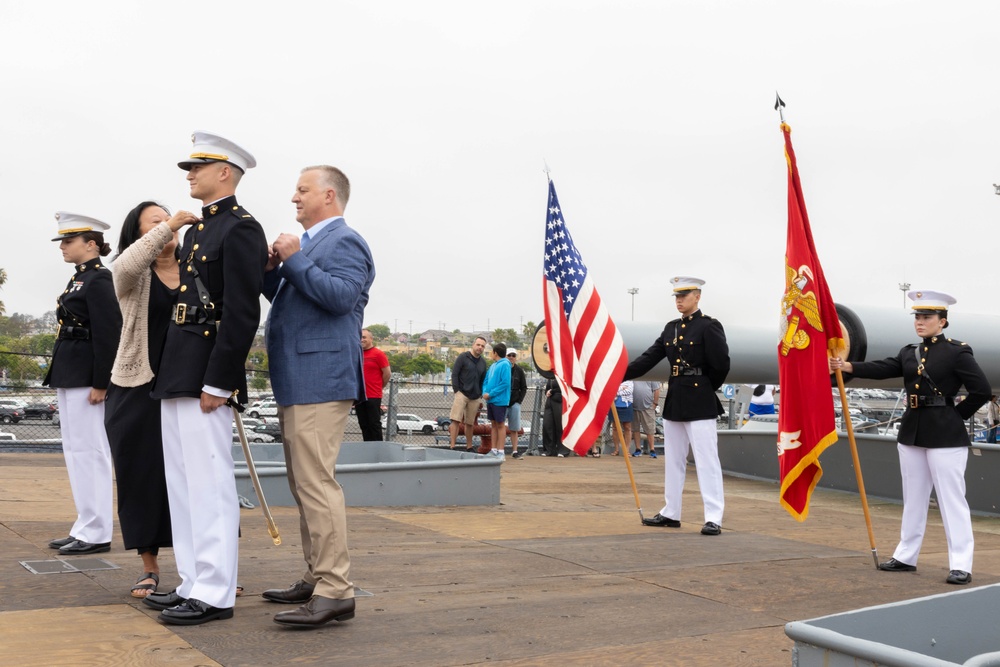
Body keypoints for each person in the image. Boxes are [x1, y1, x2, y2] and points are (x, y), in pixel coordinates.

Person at [144, 132, 267, 626]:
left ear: (225, 173)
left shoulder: (241, 229)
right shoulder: (195, 233)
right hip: (178, 367)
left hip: (207, 376)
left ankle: (216, 592)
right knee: (183, 483)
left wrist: (221, 381)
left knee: (210, 483)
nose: (189, 174)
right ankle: (193, 581)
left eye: (198, 167)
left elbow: (241, 312)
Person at [261, 165, 374, 628]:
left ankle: (335, 589)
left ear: (329, 196)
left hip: (320, 377)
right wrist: (274, 271)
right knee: (304, 484)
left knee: (316, 483)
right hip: (300, 377)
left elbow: (342, 297)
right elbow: (297, 299)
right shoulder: (309, 245)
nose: (294, 197)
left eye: (302, 190)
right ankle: (317, 575)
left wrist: (294, 259)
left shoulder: (344, 240)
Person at [830, 290, 990, 585]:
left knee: (951, 500)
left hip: (945, 434)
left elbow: (981, 389)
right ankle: (906, 556)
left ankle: (961, 564)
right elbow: (884, 368)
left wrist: (956, 416)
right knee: (913, 498)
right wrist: (849, 366)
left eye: (927, 317)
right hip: (912, 431)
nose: (920, 322)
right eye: (917, 317)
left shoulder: (957, 352)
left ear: (942, 322)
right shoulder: (909, 352)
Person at [106, 201, 197, 597]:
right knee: (141, 475)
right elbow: (124, 266)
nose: (167, 228)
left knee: (196, 476)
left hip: (186, 385)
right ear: (139, 235)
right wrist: (170, 225)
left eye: (169, 221)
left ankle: (206, 567)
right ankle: (149, 565)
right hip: (136, 388)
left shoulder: (195, 269)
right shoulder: (132, 275)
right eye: (155, 224)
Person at [624, 276, 730, 536]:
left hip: (700, 399)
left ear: (698, 296)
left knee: (707, 461)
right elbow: (649, 358)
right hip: (676, 400)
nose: (679, 300)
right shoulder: (671, 328)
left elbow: (721, 366)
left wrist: (703, 387)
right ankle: (671, 512)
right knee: (673, 461)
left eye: (684, 295)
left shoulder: (709, 326)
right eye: (676, 296)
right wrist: (621, 374)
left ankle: (713, 516)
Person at [44, 212, 122, 556]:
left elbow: (109, 334)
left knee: (91, 452)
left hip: (87, 377)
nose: (63, 246)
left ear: (92, 244)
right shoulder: (79, 279)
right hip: (70, 371)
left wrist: (101, 382)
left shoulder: (100, 279)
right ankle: (85, 524)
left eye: (69, 240)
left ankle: (97, 531)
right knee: (76, 452)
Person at [448, 337, 487, 450]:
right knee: (455, 419)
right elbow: (455, 374)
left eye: (482, 346)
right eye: (478, 345)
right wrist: (456, 390)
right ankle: (452, 445)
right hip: (462, 393)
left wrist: (480, 393)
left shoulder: (483, 362)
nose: (480, 347)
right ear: (473, 344)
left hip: (475, 396)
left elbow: (483, 379)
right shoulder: (463, 357)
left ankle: (469, 446)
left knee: (470, 423)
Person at [357, 328, 390, 441]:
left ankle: (377, 449)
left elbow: (387, 373)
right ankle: (367, 449)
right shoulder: (357, 353)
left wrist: (379, 387)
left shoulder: (378, 354)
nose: (362, 339)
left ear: (371, 339)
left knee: (374, 423)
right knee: (363, 424)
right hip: (359, 395)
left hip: (373, 395)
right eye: (360, 337)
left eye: (364, 337)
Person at [481, 342, 511, 461]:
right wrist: (484, 392)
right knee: (493, 424)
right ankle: (493, 450)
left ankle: (501, 451)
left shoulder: (505, 365)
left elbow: (505, 382)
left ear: (495, 353)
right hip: (491, 400)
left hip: (500, 400)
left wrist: (491, 393)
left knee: (500, 424)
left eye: (492, 352)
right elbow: (486, 380)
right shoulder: (493, 365)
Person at [603, 380, 633, 457]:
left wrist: (616, 390)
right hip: (614, 405)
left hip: (627, 405)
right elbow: (609, 389)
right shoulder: (614, 377)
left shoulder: (630, 380)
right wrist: (622, 388)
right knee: (615, 428)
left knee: (627, 427)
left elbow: (629, 390)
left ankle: (627, 450)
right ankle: (616, 449)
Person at [631, 380, 660, 457]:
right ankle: (638, 449)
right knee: (635, 429)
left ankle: (652, 449)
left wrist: (655, 403)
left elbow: (656, 389)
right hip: (634, 407)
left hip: (648, 407)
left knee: (650, 429)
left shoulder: (652, 375)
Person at [506, 349, 527, 459]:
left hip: (514, 403)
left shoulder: (519, 371)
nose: (511, 357)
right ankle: (496, 449)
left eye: (513, 355)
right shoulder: (502, 368)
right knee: (498, 426)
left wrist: (519, 402)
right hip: (502, 402)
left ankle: (514, 451)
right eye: (509, 355)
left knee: (514, 429)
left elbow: (524, 387)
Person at [542, 377, 569, 457]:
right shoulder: (550, 377)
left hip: (560, 401)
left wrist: (552, 391)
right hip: (550, 401)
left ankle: (563, 450)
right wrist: (547, 392)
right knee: (547, 425)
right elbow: (547, 388)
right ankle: (549, 449)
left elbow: (564, 387)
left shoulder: (563, 373)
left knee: (560, 425)